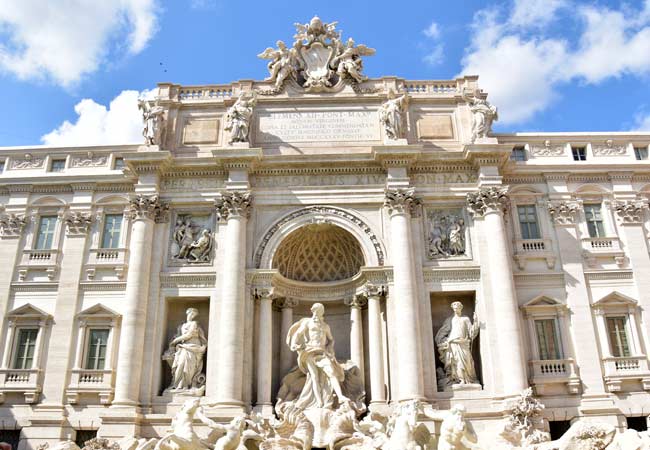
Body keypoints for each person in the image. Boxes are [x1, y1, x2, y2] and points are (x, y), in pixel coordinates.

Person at [286, 303, 349, 409]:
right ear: (313, 311)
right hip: (310, 351)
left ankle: (340, 396)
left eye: (319, 311)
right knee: (314, 377)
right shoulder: (308, 323)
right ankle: (319, 402)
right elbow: (298, 334)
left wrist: (330, 349)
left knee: (331, 372)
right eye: (315, 310)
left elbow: (331, 339)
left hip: (322, 352)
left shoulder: (325, 326)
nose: (317, 313)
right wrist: (295, 344)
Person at [435, 302, 480, 386]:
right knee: (456, 362)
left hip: (463, 343)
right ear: (452, 309)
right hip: (453, 344)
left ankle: (468, 380)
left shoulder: (465, 319)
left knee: (467, 363)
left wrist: (476, 322)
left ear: (461, 308)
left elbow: (471, 332)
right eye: (455, 308)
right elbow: (442, 333)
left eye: (458, 307)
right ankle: (459, 380)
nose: (456, 309)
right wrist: (445, 340)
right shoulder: (449, 320)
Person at [167, 308, 207, 392]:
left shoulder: (194, 323)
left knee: (190, 367)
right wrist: (174, 343)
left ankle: (185, 385)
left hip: (194, 346)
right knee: (181, 364)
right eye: (191, 314)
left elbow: (190, 334)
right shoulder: (182, 326)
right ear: (187, 313)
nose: (193, 316)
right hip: (184, 346)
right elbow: (178, 335)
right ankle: (177, 385)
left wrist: (175, 341)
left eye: (194, 315)